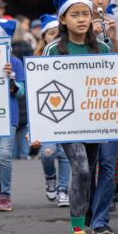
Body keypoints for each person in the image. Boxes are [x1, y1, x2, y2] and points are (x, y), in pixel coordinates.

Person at [42, 0, 113, 234]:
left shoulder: (103, 48)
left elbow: (114, 88)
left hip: (94, 122)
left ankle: (77, 232)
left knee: (86, 173)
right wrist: (40, 129)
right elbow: (42, 90)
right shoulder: (52, 49)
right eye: (75, 15)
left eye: (86, 14)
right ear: (63, 19)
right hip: (66, 123)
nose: (82, 19)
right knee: (81, 169)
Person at [81, 0, 118, 234]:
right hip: (85, 105)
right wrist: (91, 37)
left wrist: (113, 39)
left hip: (109, 103)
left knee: (109, 162)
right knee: (86, 163)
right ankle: (86, 207)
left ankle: (101, 219)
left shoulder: (117, 23)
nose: (99, 1)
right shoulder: (78, 20)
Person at [0, 18, 25, 211]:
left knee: (4, 156)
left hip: (9, 115)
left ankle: (5, 195)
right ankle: (0, 182)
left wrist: (11, 80)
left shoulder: (15, 62)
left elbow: (21, 92)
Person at [30, 14, 70, 206]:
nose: (54, 37)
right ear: (44, 36)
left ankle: (63, 188)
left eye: (58, 34)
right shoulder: (36, 57)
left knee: (64, 152)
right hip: (45, 111)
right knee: (47, 151)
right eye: (51, 34)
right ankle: (50, 177)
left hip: (67, 108)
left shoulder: (68, 52)